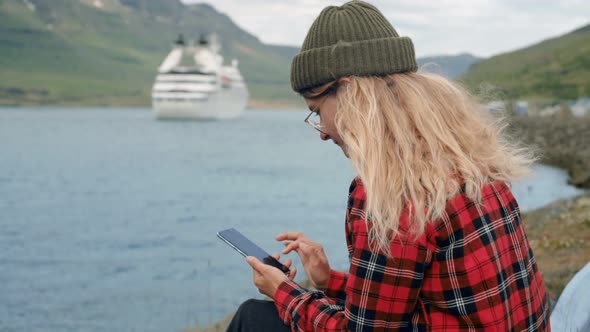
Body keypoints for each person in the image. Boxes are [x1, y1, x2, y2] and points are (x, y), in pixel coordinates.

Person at [227, 1, 550, 331]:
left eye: (317, 110)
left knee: (255, 317)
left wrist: (284, 292)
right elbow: (409, 306)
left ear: (351, 91)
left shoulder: (391, 196)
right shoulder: (473, 163)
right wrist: (330, 282)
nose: (322, 132)